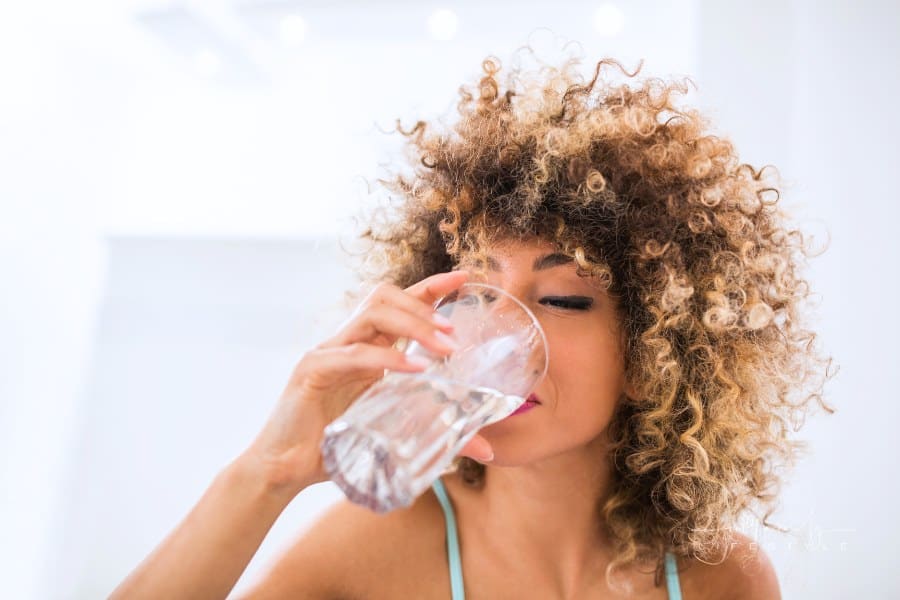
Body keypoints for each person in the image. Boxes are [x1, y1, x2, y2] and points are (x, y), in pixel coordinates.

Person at [111, 54, 833, 599]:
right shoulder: (379, 548)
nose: (496, 333)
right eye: (478, 290)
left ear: (655, 355)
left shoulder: (719, 577)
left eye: (562, 299)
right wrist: (265, 474)